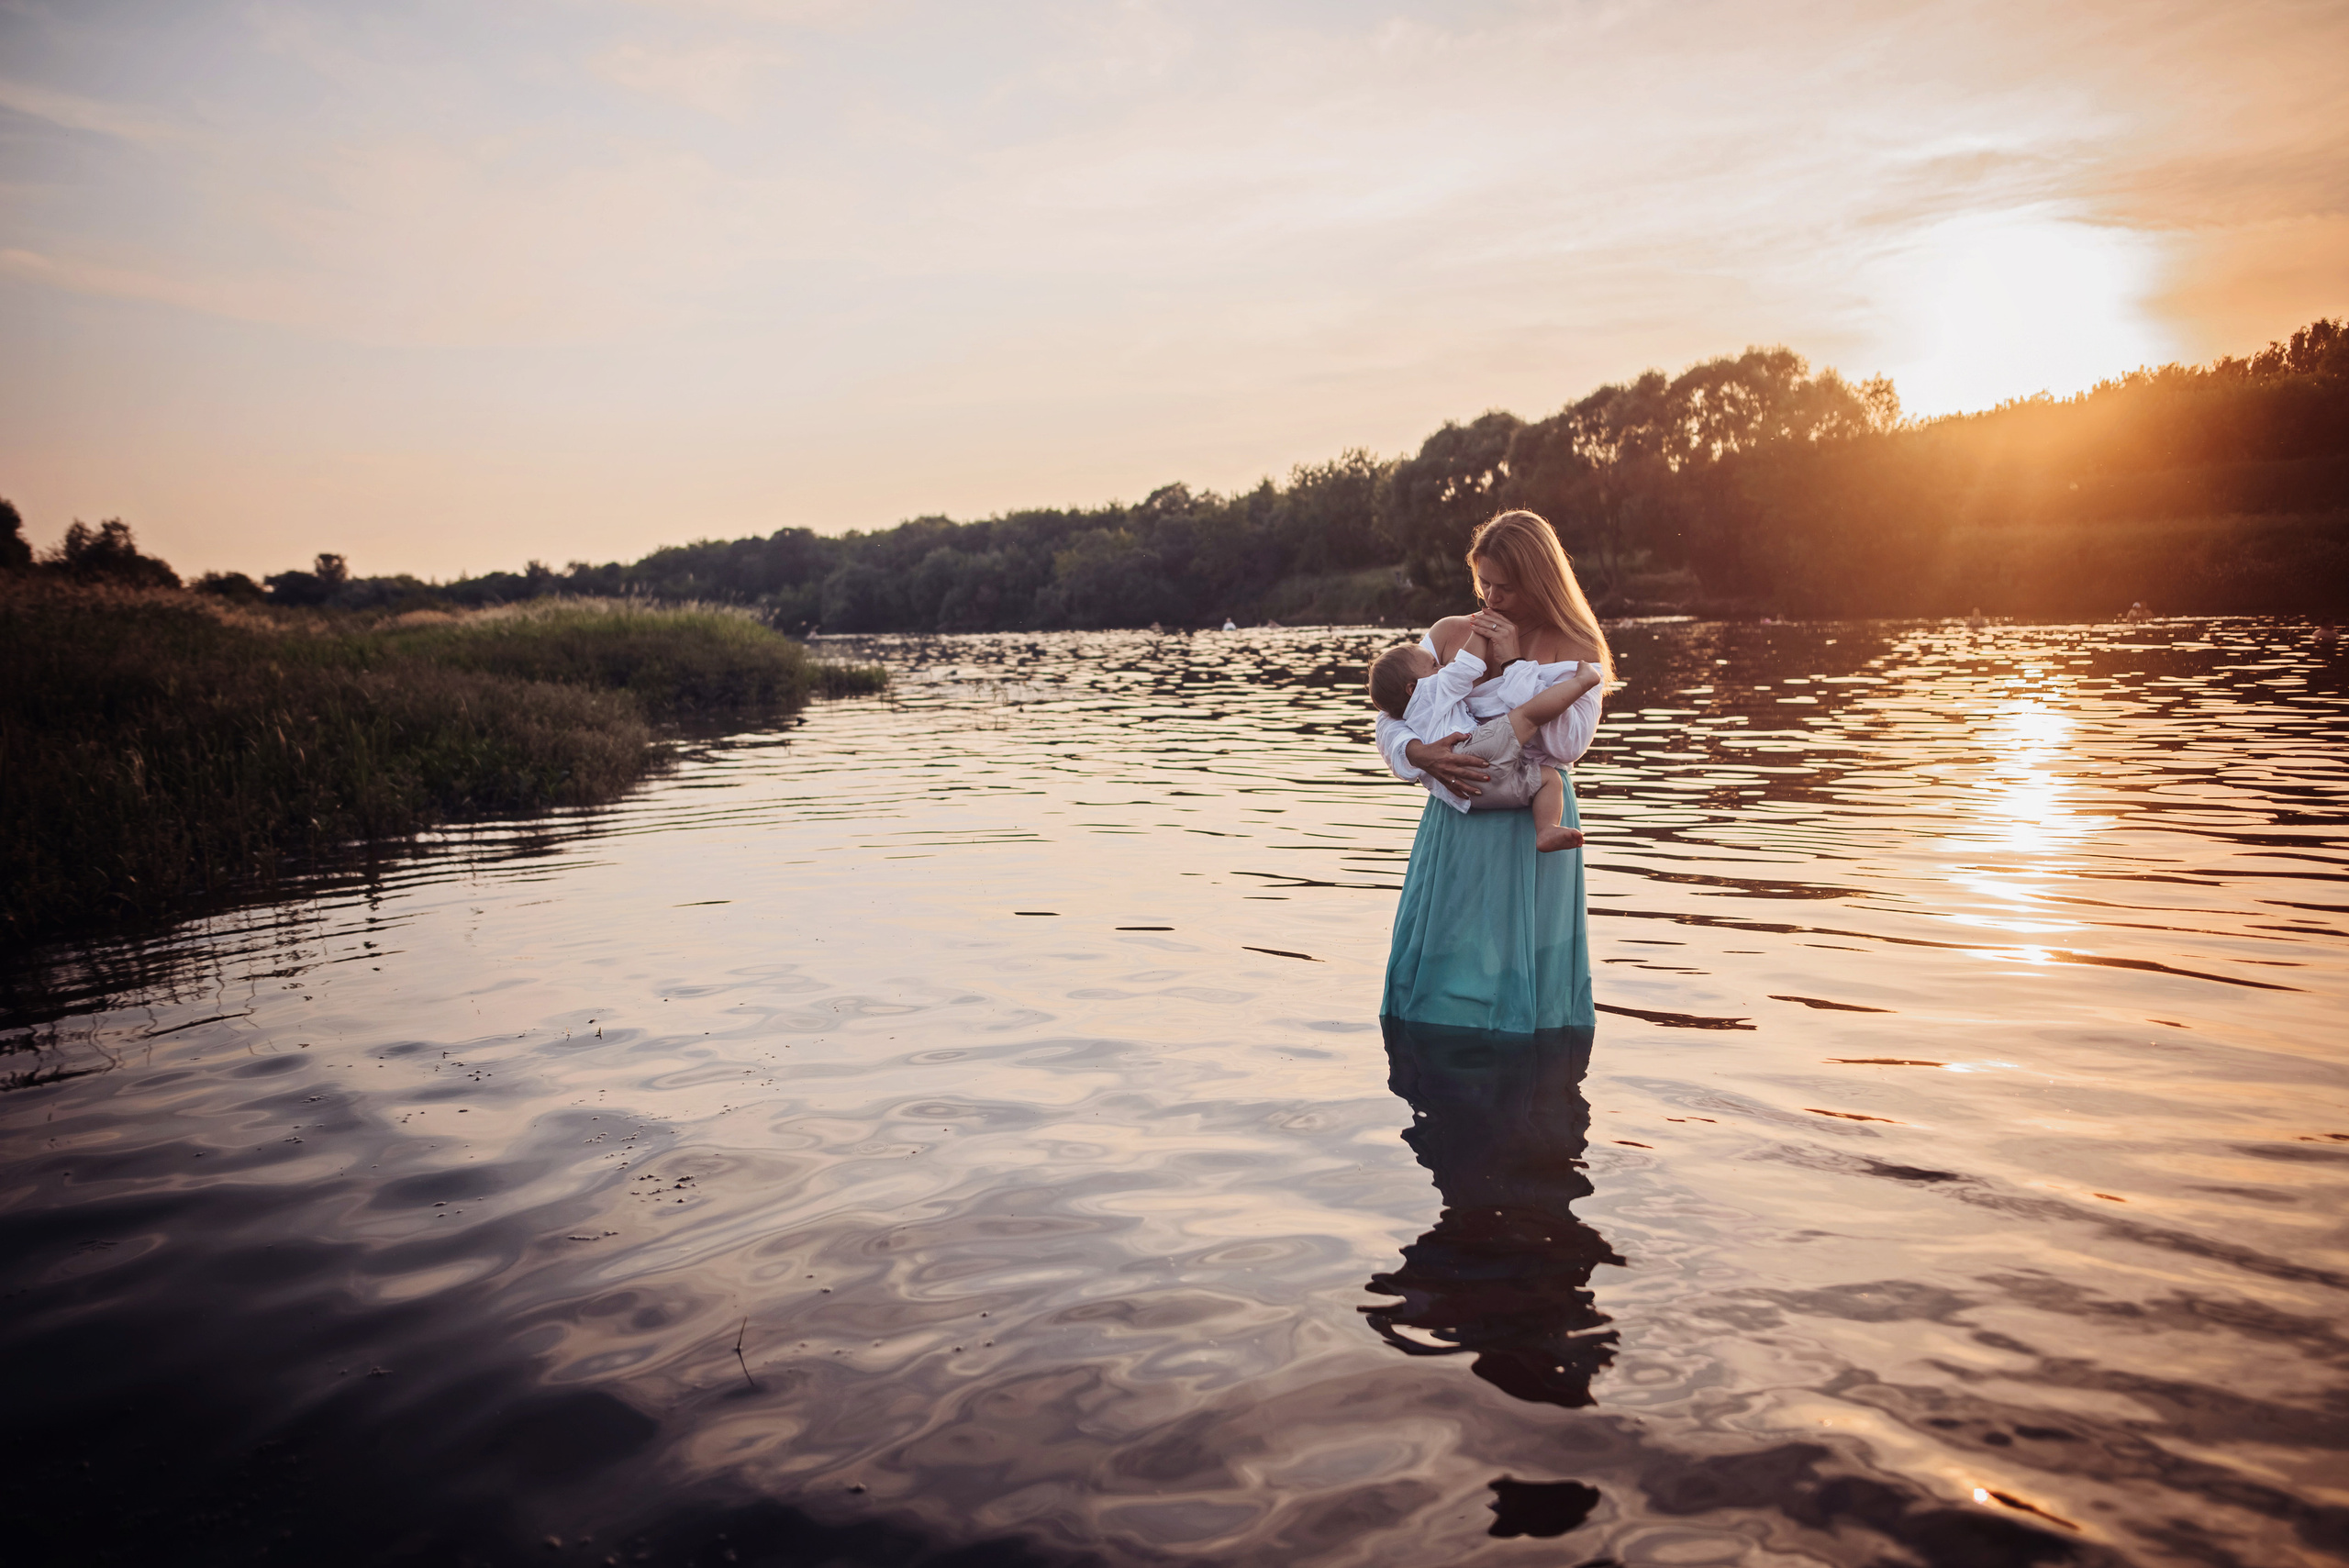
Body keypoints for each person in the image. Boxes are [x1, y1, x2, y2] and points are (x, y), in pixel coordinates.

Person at [1375, 510, 1610, 1034]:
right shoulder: (1447, 634)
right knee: (1446, 965)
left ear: (1541, 581)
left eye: (1506, 587)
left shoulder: (1576, 647)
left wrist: (1509, 668)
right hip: (1457, 814)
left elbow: (1565, 746)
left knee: (1523, 975)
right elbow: (1393, 715)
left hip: (1532, 815)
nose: (1491, 598)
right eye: (1484, 582)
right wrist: (1418, 754)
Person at [1365, 630, 1601, 852]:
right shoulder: (1429, 690)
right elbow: (1468, 666)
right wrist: (1480, 630)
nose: (1444, 666)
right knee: (1528, 717)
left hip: (1465, 794)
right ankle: (1547, 827)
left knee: (1548, 776)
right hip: (1472, 751)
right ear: (1411, 688)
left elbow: (1387, 717)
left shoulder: (1407, 709)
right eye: (1435, 666)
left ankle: (1547, 831)